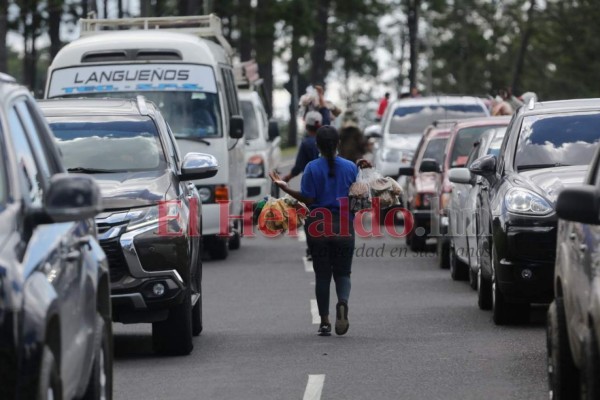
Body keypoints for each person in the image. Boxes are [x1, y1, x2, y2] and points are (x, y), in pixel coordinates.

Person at [270, 127, 367, 336]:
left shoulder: (312, 168)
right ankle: (342, 302)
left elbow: (308, 199)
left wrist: (285, 188)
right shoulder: (350, 168)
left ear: (317, 146)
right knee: (343, 273)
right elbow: (359, 195)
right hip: (343, 226)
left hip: (317, 227)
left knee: (322, 275)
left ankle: (324, 321)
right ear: (338, 143)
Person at [282, 111, 322, 183]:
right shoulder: (327, 140)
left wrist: (287, 178)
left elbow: (298, 166)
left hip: (312, 182)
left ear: (306, 126)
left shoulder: (306, 143)